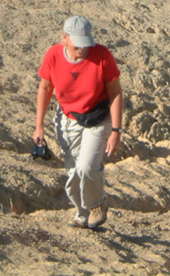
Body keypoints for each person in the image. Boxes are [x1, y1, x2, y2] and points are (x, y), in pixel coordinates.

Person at [34, 15, 123, 230]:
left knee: (87, 167)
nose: (81, 49)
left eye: (85, 45)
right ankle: (82, 215)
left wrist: (116, 130)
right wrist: (39, 125)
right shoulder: (53, 55)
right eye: (77, 45)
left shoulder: (102, 55)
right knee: (73, 173)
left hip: (98, 117)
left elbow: (116, 93)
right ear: (64, 37)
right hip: (68, 119)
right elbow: (45, 89)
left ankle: (97, 205)